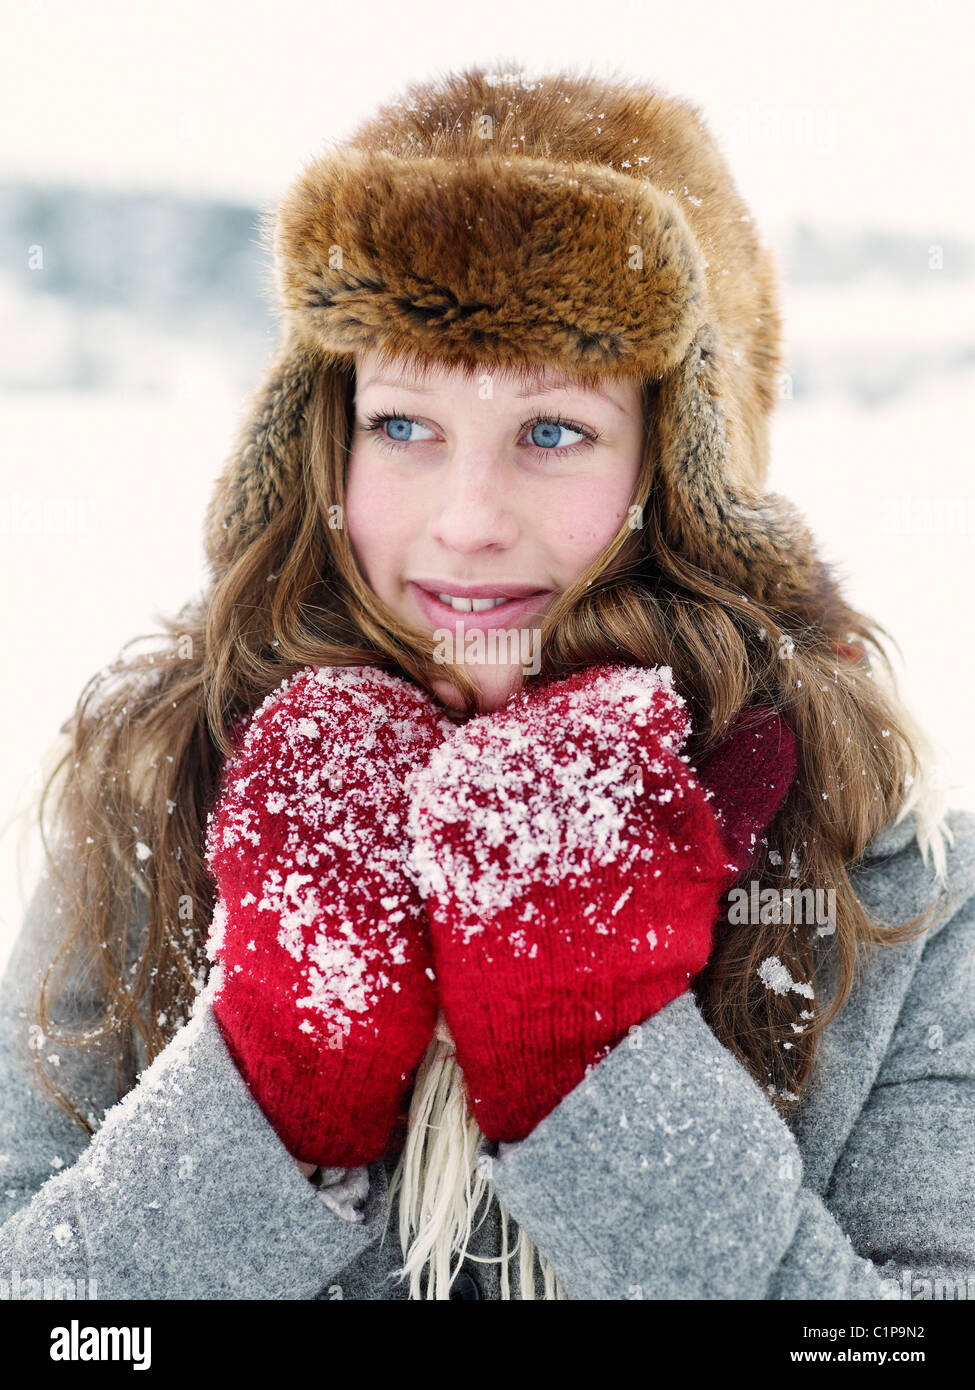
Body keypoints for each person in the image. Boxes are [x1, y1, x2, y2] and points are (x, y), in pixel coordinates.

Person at [2, 59, 973, 1302]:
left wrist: (599, 1067)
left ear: (682, 478)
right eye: (403, 427)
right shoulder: (157, 792)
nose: (466, 520)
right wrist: (272, 1084)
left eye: (552, 432)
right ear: (320, 442)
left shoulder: (893, 874)